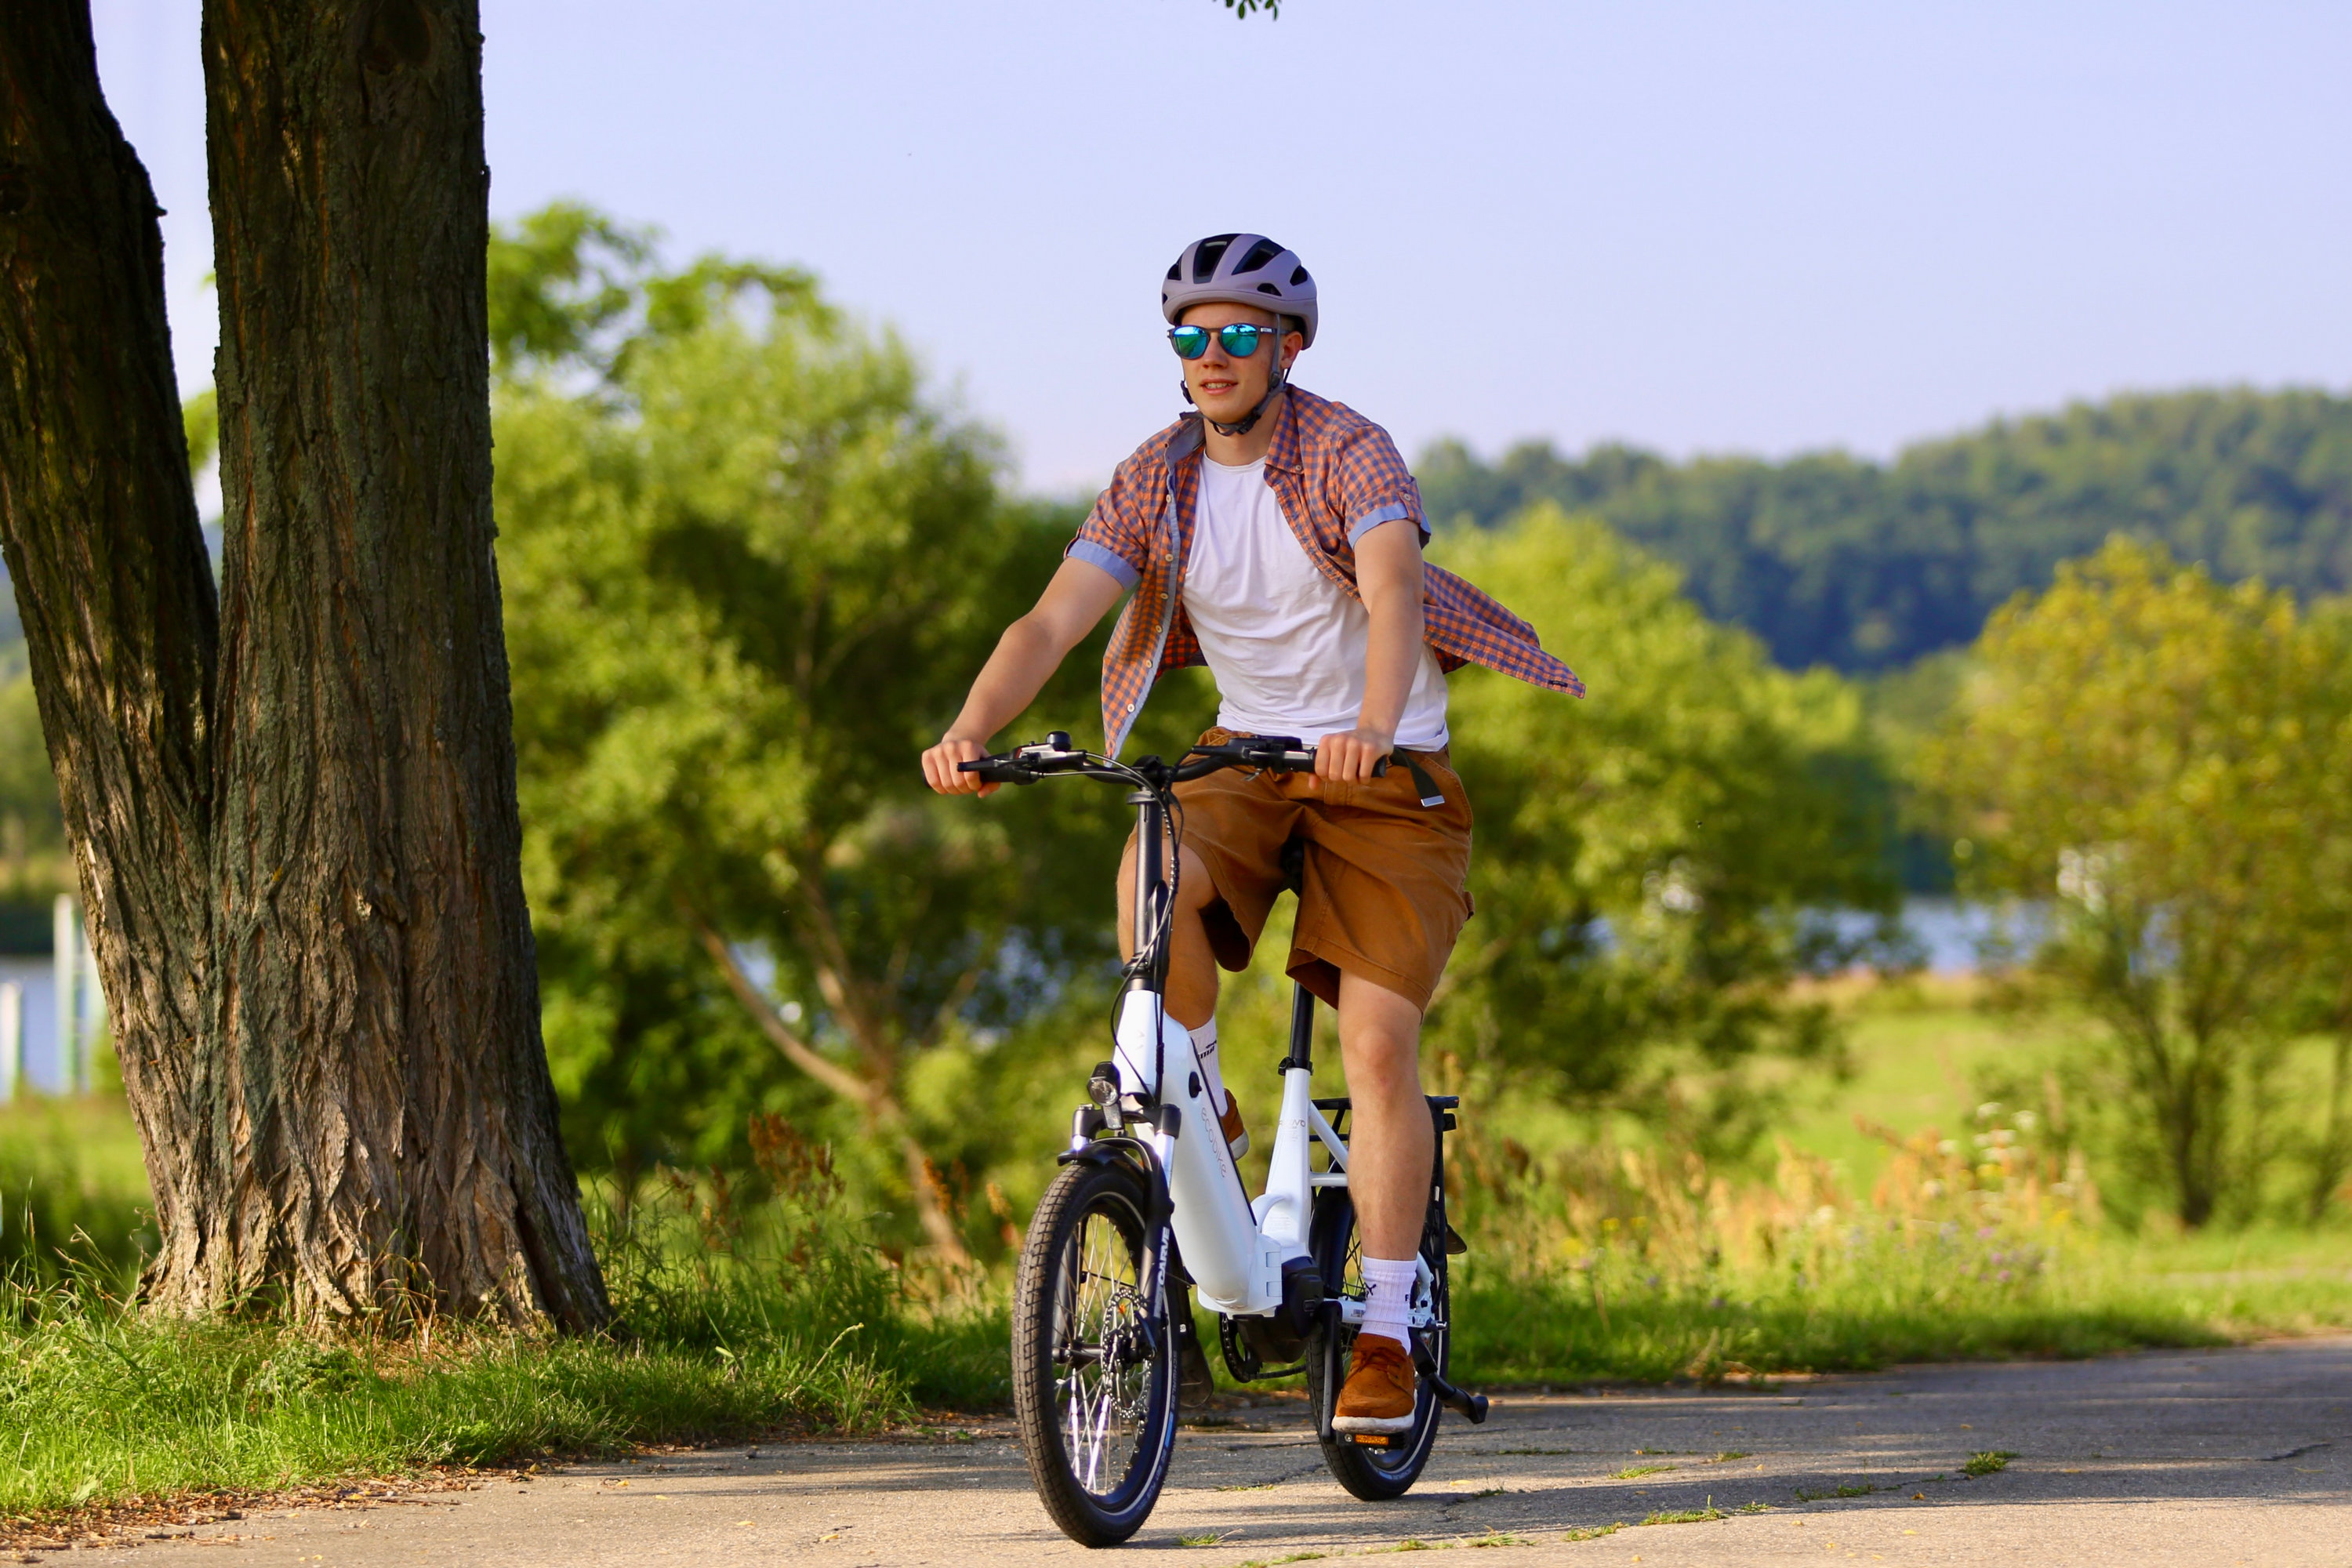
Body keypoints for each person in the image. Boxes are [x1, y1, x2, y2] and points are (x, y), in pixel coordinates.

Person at [921, 233, 1582, 1433]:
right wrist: (970, 731)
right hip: (1246, 755)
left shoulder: (1346, 449)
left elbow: (1393, 589)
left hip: (1384, 773)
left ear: (1288, 347)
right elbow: (1050, 621)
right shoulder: (1155, 476)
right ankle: (1211, 1117)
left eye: (1238, 334)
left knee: (1374, 1046)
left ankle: (1386, 1331)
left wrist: (1371, 725)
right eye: (1192, 335)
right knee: (1148, 890)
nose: (1212, 355)